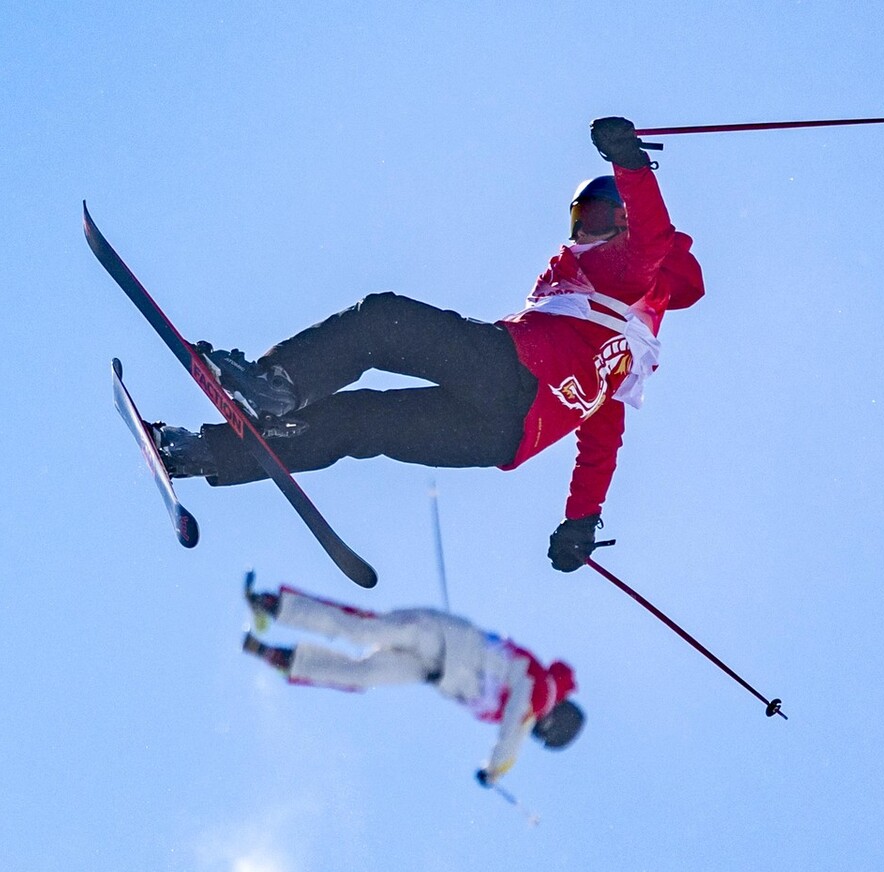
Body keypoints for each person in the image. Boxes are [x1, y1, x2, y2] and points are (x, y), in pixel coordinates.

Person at [152, 117, 704, 572]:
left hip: (510, 372)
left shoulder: (627, 270)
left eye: (602, 218)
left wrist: (629, 165)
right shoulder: (623, 360)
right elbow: (600, 445)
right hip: (503, 436)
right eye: (580, 219)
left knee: (379, 321)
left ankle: (276, 387)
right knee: (358, 423)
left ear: (626, 223)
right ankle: (202, 453)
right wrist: (581, 520)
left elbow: (653, 241)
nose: (586, 232)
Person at [241, 575, 584, 784]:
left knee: (365, 674)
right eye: (542, 734)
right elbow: (513, 731)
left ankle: (289, 659)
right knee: (363, 630)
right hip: (441, 637)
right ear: (553, 722)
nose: (534, 733)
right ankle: (276, 605)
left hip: (431, 670)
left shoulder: (522, 701)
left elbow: (510, 722)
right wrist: (496, 770)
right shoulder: (539, 690)